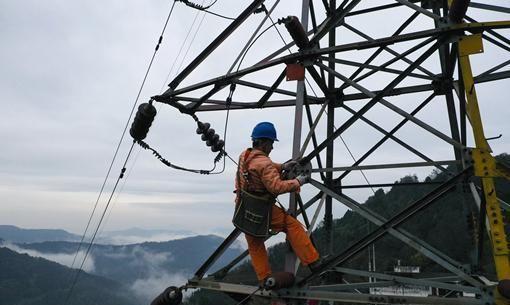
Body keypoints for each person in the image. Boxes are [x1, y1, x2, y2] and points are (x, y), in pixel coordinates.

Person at [235, 121, 321, 286]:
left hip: (244, 206)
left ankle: (264, 278)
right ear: (264, 142)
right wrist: (298, 182)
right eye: (271, 143)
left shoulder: (244, 155)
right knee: (292, 226)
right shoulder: (264, 163)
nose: (272, 147)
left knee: (254, 242)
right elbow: (276, 187)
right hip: (263, 209)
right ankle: (313, 261)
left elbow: (259, 166)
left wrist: (282, 166)